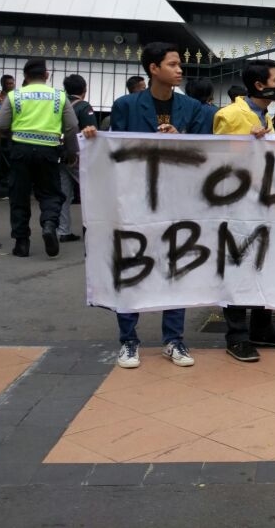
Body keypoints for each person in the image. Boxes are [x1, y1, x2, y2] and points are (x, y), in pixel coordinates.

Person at [107, 42, 206, 369]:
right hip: (135, 199)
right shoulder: (126, 106)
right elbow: (114, 152)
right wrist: (93, 138)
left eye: (180, 64)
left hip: (177, 199)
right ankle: (128, 340)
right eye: (173, 64)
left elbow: (205, 153)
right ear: (154, 68)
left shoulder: (191, 108)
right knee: (131, 265)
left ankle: (173, 340)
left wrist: (179, 139)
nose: (180, 70)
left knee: (175, 268)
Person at [214, 60, 275, 362]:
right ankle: (236, 335)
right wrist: (245, 145)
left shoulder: (267, 114)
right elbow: (219, 162)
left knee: (266, 265)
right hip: (238, 206)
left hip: (265, 203)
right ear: (259, 86)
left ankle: (262, 328)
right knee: (238, 267)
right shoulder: (230, 115)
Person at [0, 58, 81, 258]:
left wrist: (14, 135)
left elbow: (1, 124)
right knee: (50, 193)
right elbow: (72, 126)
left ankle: (22, 243)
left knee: (19, 196)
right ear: (46, 75)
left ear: (25, 76)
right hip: (48, 152)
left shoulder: (15, 95)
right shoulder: (59, 96)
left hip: (20, 151)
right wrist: (71, 152)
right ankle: (50, 225)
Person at [56, 74, 97, 243]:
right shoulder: (83, 106)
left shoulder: (58, 104)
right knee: (92, 191)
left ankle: (63, 230)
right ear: (84, 90)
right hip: (78, 153)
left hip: (60, 152)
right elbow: (90, 130)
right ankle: (95, 228)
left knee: (64, 193)